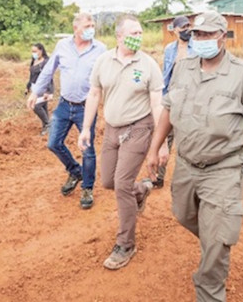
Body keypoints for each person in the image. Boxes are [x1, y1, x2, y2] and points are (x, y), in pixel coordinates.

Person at [147, 11, 243, 301]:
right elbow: (169, 109)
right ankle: (215, 238)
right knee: (184, 214)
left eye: (208, 34)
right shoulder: (183, 68)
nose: (201, 39)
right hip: (186, 165)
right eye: (197, 34)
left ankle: (210, 285)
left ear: (223, 36)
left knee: (216, 242)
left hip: (223, 168)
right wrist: (154, 148)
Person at [78, 14, 167, 270]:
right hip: (111, 130)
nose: (139, 37)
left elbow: (157, 104)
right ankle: (141, 190)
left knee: (120, 184)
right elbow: (94, 93)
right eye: (134, 33)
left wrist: (160, 143)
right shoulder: (103, 61)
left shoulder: (148, 64)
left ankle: (126, 244)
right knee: (107, 181)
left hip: (139, 128)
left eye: (141, 33)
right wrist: (85, 128)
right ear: (119, 36)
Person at [27, 13, 106, 209]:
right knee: (53, 143)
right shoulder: (63, 46)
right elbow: (48, 71)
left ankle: (87, 187)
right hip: (64, 104)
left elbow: (108, 76)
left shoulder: (100, 49)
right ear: (76, 28)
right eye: (87, 25)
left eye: (93, 25)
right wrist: (35, 92)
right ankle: (75, 171)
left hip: (86, 107)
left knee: (87, 149)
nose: (91, 29)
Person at [155, 15, 195, 189]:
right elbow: (166, 73)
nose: (186, 30)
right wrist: (163, 97)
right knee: (165, 135)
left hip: (191, 98)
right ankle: (159, 176)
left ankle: (184, 179)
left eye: (188, 26)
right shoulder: (170, 49)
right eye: (183, 27)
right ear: (175, 30)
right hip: (172, 96)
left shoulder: (197, 47)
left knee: (185, 139)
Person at [26, 43, 54, 135]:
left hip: (44, 88)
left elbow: (49, 77)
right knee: (43, 108)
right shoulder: (34, 60)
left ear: (41, 50)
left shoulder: (46, 62)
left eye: (35, 51)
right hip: (35, 89)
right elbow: (32, 76)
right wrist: (28, 87)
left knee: (36, 106)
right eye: (32, 51)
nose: (33, 53)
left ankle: (48, 124)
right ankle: (46, 128)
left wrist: (48, 91)